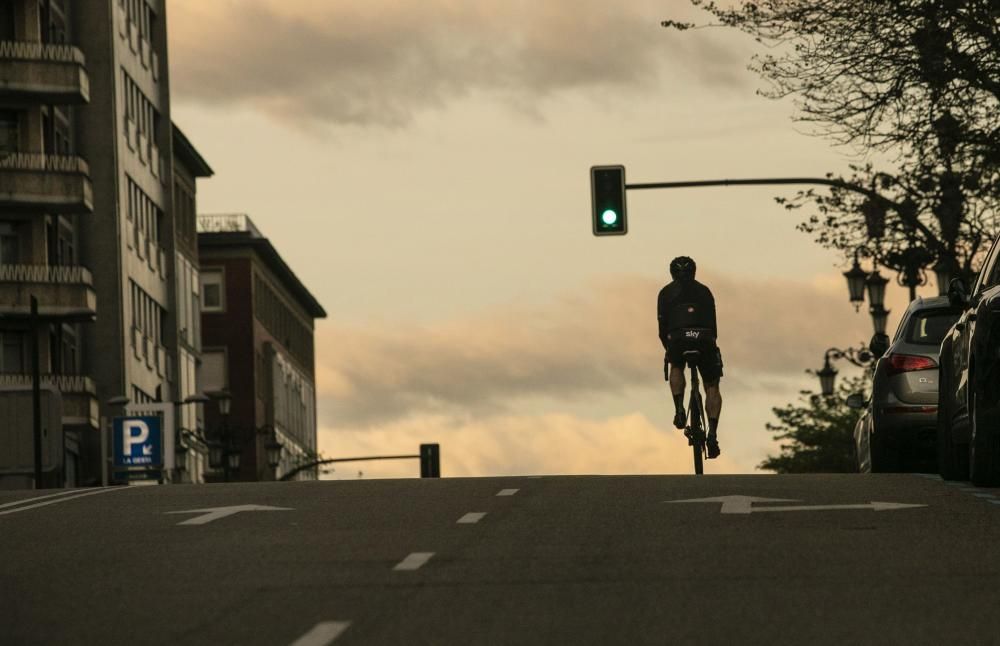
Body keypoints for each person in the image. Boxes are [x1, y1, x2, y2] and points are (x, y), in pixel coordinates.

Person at [657, 256, 724, 458]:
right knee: (712, 385)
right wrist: (710, 342)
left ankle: (679, 409)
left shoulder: (665, 293)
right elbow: (713, 326)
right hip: (704, 337)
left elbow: (662, 326)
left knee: (676, 366)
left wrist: (668, 348)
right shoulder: (705, 291)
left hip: (677, 338)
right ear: (694, 271)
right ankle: (712, 434)